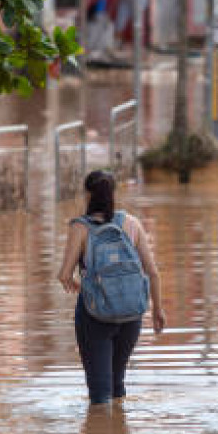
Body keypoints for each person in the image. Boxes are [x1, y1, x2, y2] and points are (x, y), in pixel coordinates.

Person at [58, 171, 165, 405]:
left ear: (87, 195)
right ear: (113, 194)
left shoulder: (80, 228)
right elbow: (153, 273)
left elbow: (64, 275)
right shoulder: (132, 224)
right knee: (117, 386)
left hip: (94, 316)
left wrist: (81, 286)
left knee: (99, 395)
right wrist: (158, 310)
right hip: (131, 316)